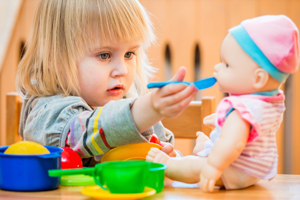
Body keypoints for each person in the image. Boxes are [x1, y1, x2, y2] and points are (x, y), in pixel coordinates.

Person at [16, 0, 198, 166]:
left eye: (129, 54)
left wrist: (175, 161)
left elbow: (164, 151)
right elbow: (83, 133)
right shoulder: (47, 112)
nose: (123, 70)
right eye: (104, 55)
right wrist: (146, 109)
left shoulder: (128, 99)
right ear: (55, 59)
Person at [147, 15, 300, 191]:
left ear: (258, 78)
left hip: (232, 169)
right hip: (252, 171)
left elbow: (233, 143)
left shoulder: (240, 111)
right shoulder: (270, 102)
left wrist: (212, 167)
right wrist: (222, 122)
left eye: (227, 65)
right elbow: (248, 132)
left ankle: (169, 166)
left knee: (193, 165)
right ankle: (205, 147)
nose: (217, 68)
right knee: (215, 147)